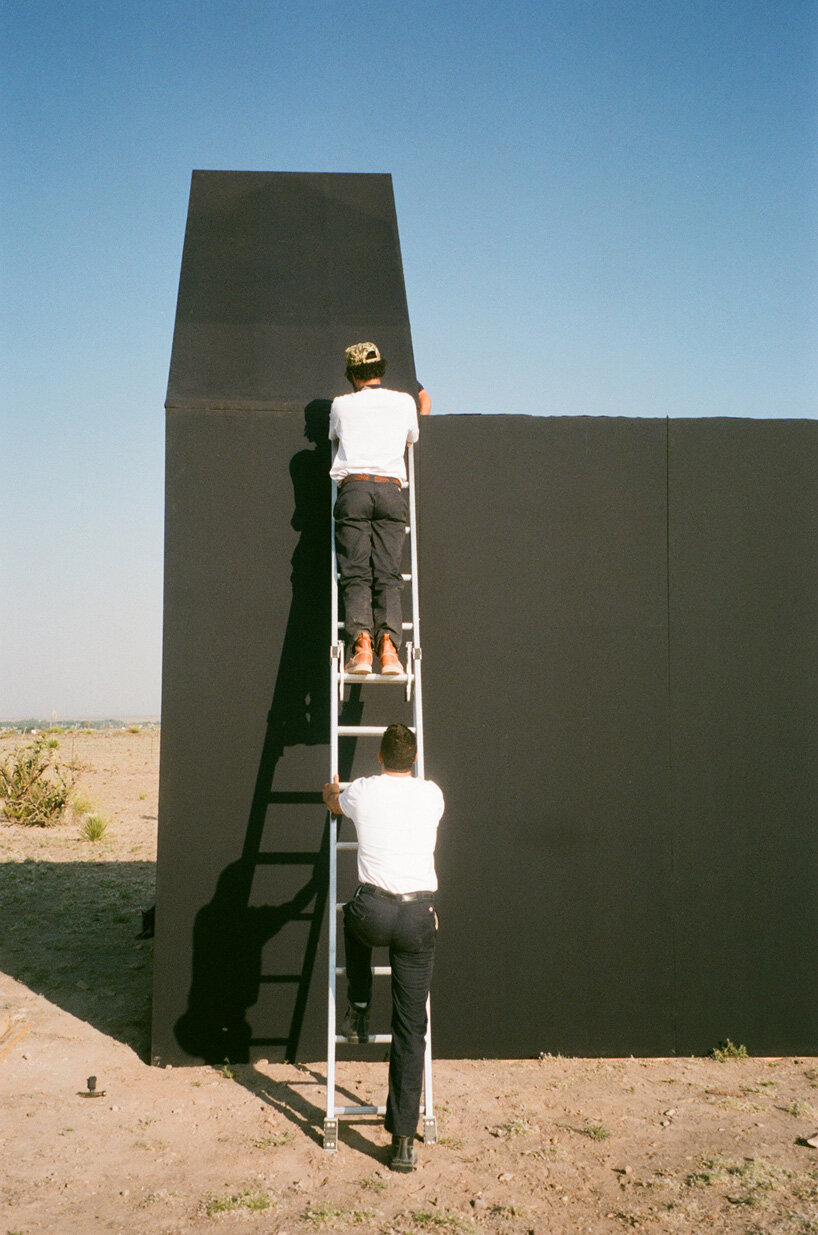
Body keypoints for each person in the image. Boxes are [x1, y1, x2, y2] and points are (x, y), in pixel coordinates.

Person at [323, 723, 445, 1172]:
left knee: (351, 919)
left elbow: (332, 801)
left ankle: (358, 1004)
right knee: (411, 1028)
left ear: (379, 756)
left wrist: (331, 790)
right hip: (417, 917)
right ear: (414, 759)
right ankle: (403, 1142)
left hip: (373, 912)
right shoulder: (432, 794)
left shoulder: (362, 790)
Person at [329, 342, 430, 677]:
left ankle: (362, 648)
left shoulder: (341, 405)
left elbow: (334, 436)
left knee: (356, 572)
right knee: (388, 573)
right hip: (390, 490)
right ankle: (389, 651)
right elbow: (413, 435)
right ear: (379, 369)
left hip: (355, 489)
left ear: (351, 374)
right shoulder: (404, 402)